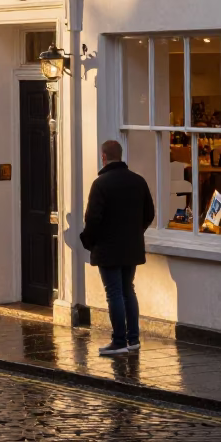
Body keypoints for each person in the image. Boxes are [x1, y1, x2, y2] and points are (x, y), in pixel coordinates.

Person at [80, 140, 155, 356]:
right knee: (127, 290)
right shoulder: (138, 181)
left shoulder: (101, 184)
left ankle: (119, 340)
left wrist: (88, 241)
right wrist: (135, 232)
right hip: (131, 247)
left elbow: (92, 219)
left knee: (114, 293)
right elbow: (149, 213)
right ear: (120, 156)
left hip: (108, 248)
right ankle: (133, 339)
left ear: (103, 157)